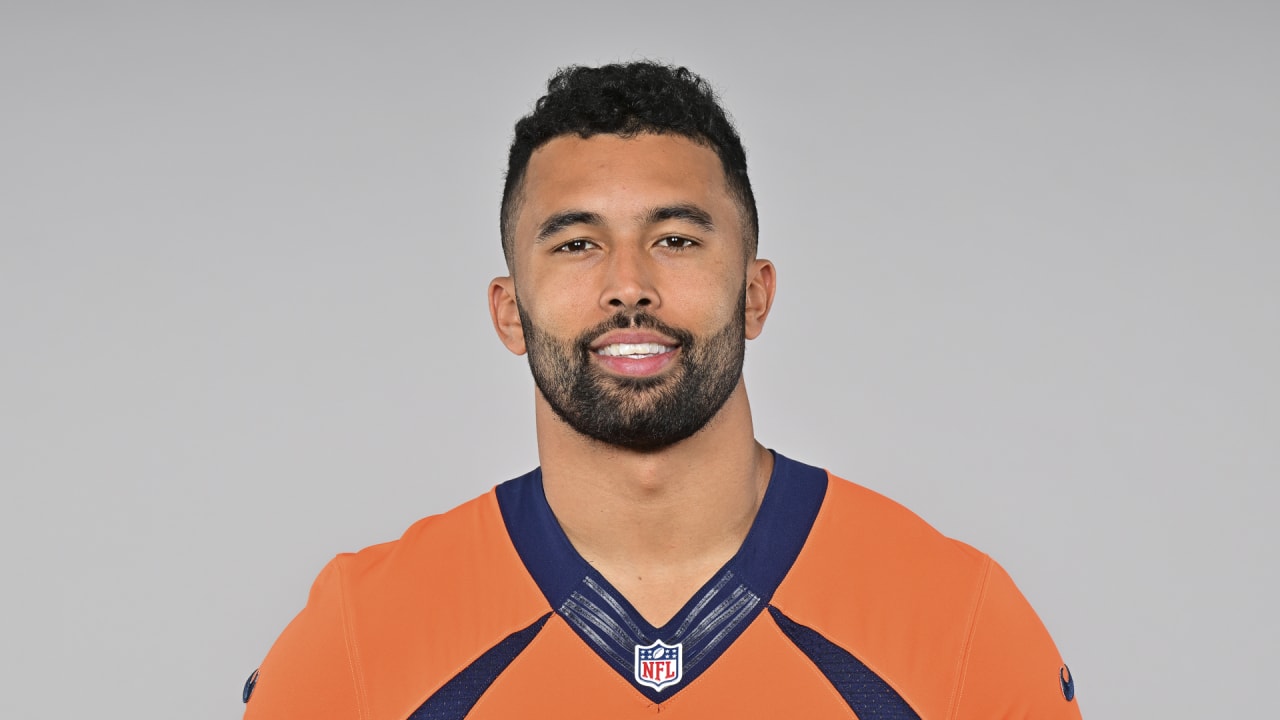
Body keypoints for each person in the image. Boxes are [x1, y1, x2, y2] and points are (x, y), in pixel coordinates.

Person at [243, 61, 1082, 719]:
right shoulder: (361, 634)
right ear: (508, 311)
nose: (629, 284)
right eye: (576, 245)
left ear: (754, 293)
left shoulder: (958, 619)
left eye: (676, 239)